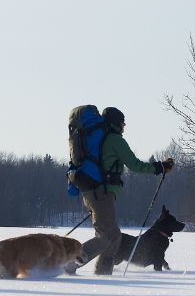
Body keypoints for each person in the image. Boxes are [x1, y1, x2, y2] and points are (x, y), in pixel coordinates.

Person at [69, 106, 174, 275]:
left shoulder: (98, 138)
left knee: (114, 237)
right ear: (116, 123)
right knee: (106, 236)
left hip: (93, 192)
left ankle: (103, 274)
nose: (124, 127)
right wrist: (160, 167)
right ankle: (70, 262)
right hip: (101, 194)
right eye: (123, 123)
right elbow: (135, 164)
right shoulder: (114, 140)